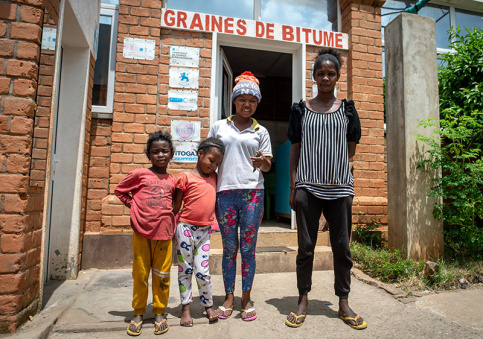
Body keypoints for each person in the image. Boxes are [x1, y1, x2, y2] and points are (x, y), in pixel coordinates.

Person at [285, 48, 365, 329]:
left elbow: (351, 146)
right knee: (305, 246)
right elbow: (295, 149)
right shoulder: (301, 110)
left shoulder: (347, 110)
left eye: (331, 73)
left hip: (340, 188)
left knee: (342, 246)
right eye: (320, 73)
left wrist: (342, 168)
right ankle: (303, 299)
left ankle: (343, 302)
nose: (325, 77)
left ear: (338, 76)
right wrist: (294, 186)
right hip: (307, 186)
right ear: (314, 76)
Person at [208, 71, 272, 321]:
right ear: (234, 101)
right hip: (225, 194)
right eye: (242, 99)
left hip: (253, 194)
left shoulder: (261, 131)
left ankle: (246, 299)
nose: (247, 104)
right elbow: (209, 160)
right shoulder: (219, 127)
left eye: (252, 100)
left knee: (248, 249)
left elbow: (267, 167)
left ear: (257, 104)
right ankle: (228, 297)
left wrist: (262, 161)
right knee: (228, 249)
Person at [114, 130, 176, 336]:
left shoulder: (172, 180)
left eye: (164, 151)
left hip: (165, 234)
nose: (160, 155)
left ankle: (159, 312)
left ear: (171, 154)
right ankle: (138, 313)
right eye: (155, 151)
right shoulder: (140, 174)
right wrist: (134, 207)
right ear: (148, 155)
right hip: (141, 232)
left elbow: (175, 205)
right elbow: (119, 190)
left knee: (162, 276)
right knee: (140, 275)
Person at [172, 137, 225, 327]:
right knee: (185, 269)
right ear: (200, 153)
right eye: (211, 161)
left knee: (203, 270)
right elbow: (176, 206)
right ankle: (185, 307)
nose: (213, 166)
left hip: (205, 231)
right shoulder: (185, 177)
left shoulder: (215, 178)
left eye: (217, 163)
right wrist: (170, 228)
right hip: (184, 228)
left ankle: (208, 305)